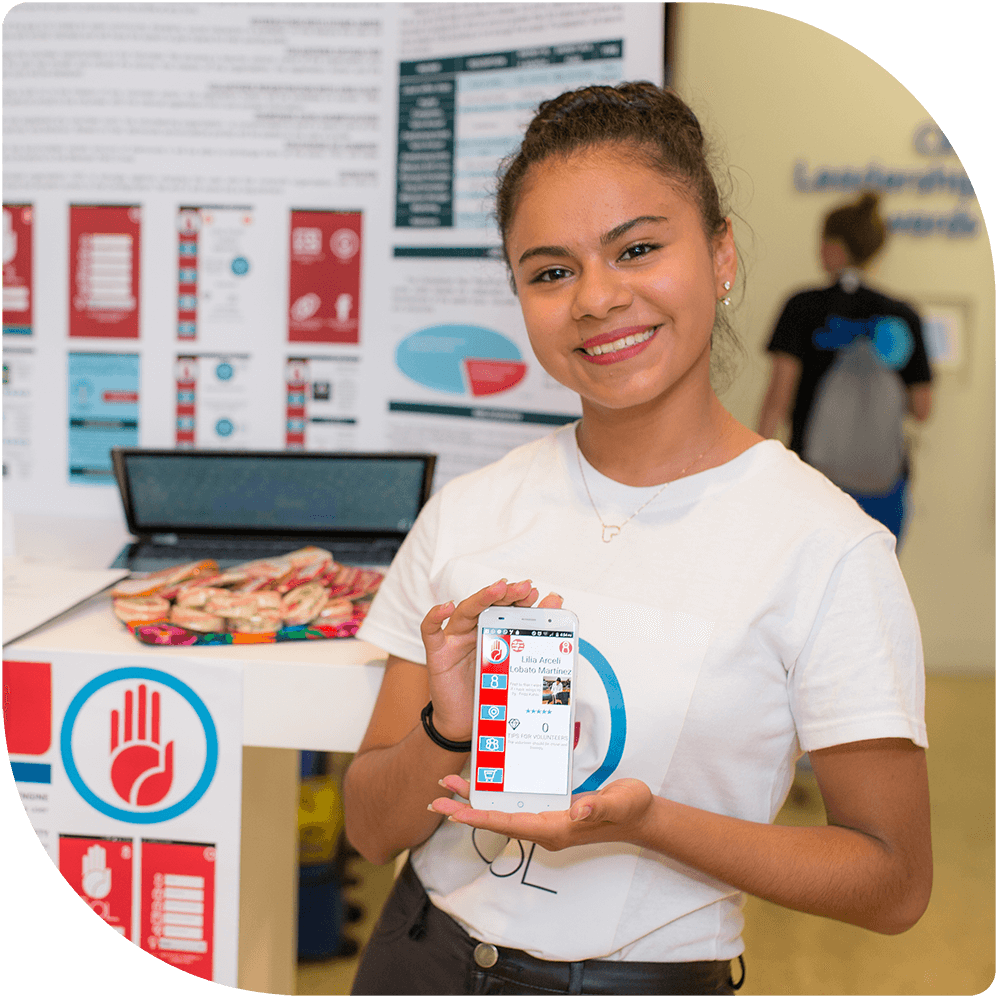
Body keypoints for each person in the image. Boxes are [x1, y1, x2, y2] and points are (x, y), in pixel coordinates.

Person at [343, 82, 931, 996]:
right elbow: (370, 830)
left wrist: (649, 823)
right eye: (550, 271)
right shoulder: (470, 510)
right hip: (417, 957)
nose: (597, 298)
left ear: (722, 254)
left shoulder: (826, 547)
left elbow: (893, 882)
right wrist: (444, 732)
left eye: (639, 249)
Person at [757, 192, 933, 541]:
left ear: (834, 247)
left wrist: (758, 472)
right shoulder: (902, 315)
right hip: (884, 486)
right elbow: (922, 408)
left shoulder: (802, 307)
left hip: (813, 482)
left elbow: (777, 399)